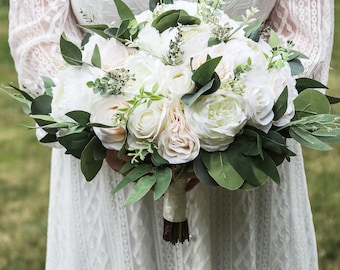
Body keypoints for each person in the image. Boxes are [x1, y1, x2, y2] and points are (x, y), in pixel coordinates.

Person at [8, 0, 334, 269]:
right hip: (109, 164)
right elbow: (36, 38)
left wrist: (232, 122)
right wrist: (106, 124)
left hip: (244, 162)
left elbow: (304, 41)